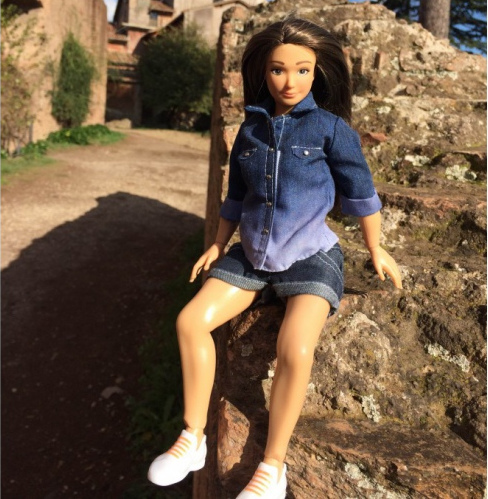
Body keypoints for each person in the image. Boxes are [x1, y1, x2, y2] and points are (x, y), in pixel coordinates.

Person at [147, 17, 402, 499]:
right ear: (263, 73)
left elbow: (361, 193)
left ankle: (272, 466)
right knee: (190, 322)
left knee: (295, 347)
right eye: (278, 69)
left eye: (302, 70)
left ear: (318, 72)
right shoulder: (251, 130)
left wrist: (376, 247)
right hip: (252, 253)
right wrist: (217, 244)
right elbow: (235, 197)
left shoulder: (331, 130)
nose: (289, 81)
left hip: (310, 255)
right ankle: (192, 437)